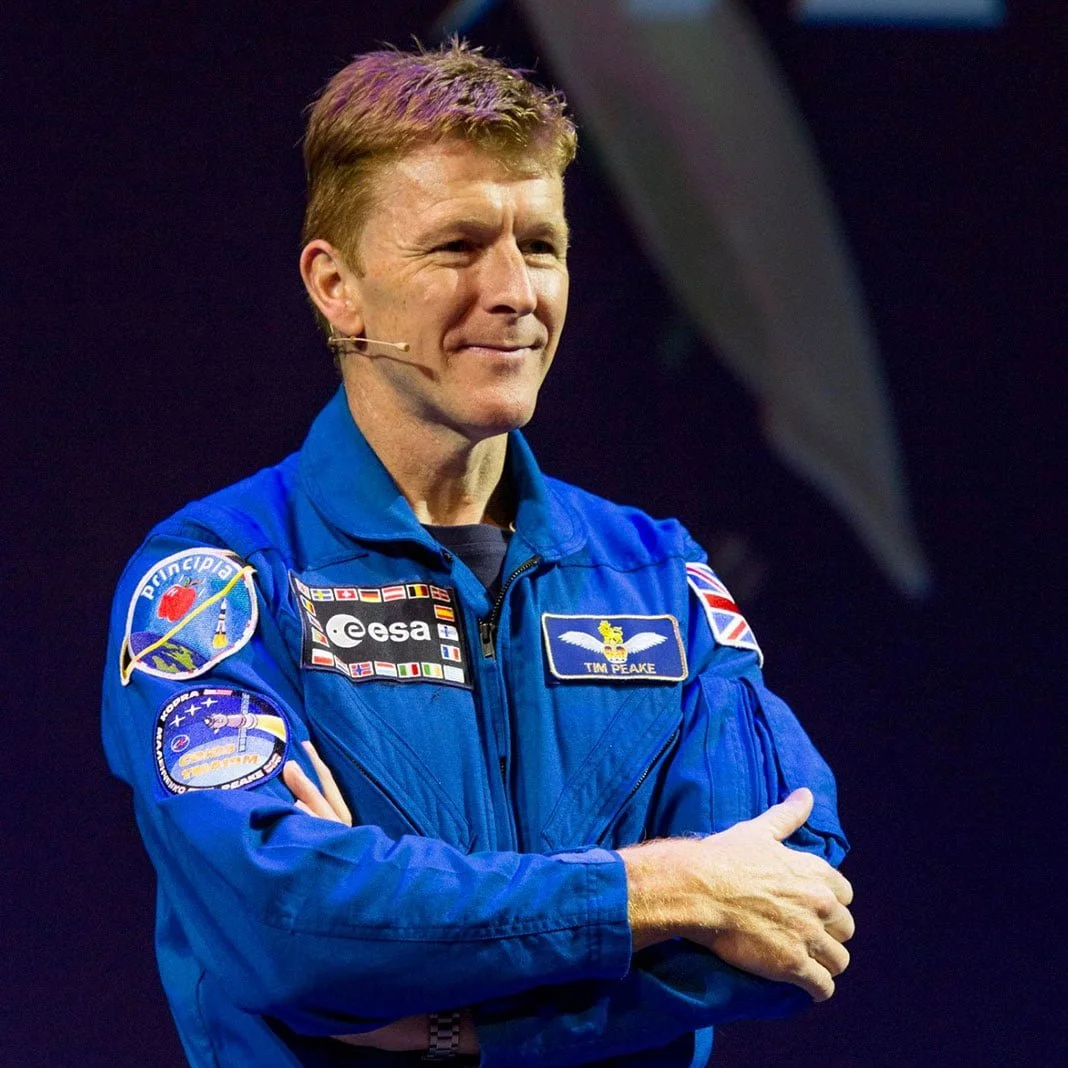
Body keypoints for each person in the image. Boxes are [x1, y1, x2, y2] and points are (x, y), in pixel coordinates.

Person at [101, 40, 853, 1067]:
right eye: (457, 246)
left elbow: (791, 910)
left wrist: (455, 1028)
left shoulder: (656, 576)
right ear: (338, 287)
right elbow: (289, 926)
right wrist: (660, 891)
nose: (514, 291)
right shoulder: (217, 582)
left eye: (540, 246)